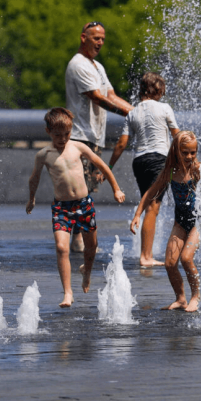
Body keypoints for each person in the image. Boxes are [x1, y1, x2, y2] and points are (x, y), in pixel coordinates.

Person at [130, 131, 201, 312]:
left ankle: (195, 297)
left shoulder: (197, 169)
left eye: (193, 152)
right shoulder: (170, 171)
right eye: (185, 152)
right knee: (169, 263)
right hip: (180, 221)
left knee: (186, 258)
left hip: (199, 221)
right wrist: (137, 214)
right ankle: (180, 299)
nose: (190, 156)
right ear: (176, 151)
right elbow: (151, 192)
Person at [26, 107, 126, 308]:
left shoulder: (78, 147)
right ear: (48, 132)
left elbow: (102, 165)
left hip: (84, 204)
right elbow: (34, 178)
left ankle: (86, 270)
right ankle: (68, 293)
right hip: (62, 208)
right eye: (57, 135)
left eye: (66, 134)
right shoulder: (43, 155)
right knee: (62, 248)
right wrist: (32, 199)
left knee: (91, 247)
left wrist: (116, 188)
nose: (62, 139)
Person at [65, 21, 133, 251]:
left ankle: (78, 235)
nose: (100, 43)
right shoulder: (78, 65)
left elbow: (111, 95)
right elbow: (97, 97)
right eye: (95, 38)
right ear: (83, 38)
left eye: (102, 38)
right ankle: (75, 239)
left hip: (94, 136)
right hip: (80, 136)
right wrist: (127, 113)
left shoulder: (97, 67)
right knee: (79, 189)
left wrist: (137, 112)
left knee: (88, 188)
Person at [109, 72, 180, 267]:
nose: (163, 94)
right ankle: (146, 256)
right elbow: (177, 136)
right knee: (153, 207)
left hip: (140, 161)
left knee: (150, 204)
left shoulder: (132, 113)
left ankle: (146, 253)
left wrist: (109, 166)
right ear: (156, 90)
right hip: (159, 159)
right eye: (162, 90)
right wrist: (190, 156)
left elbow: (122, 144)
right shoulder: (164, 108)